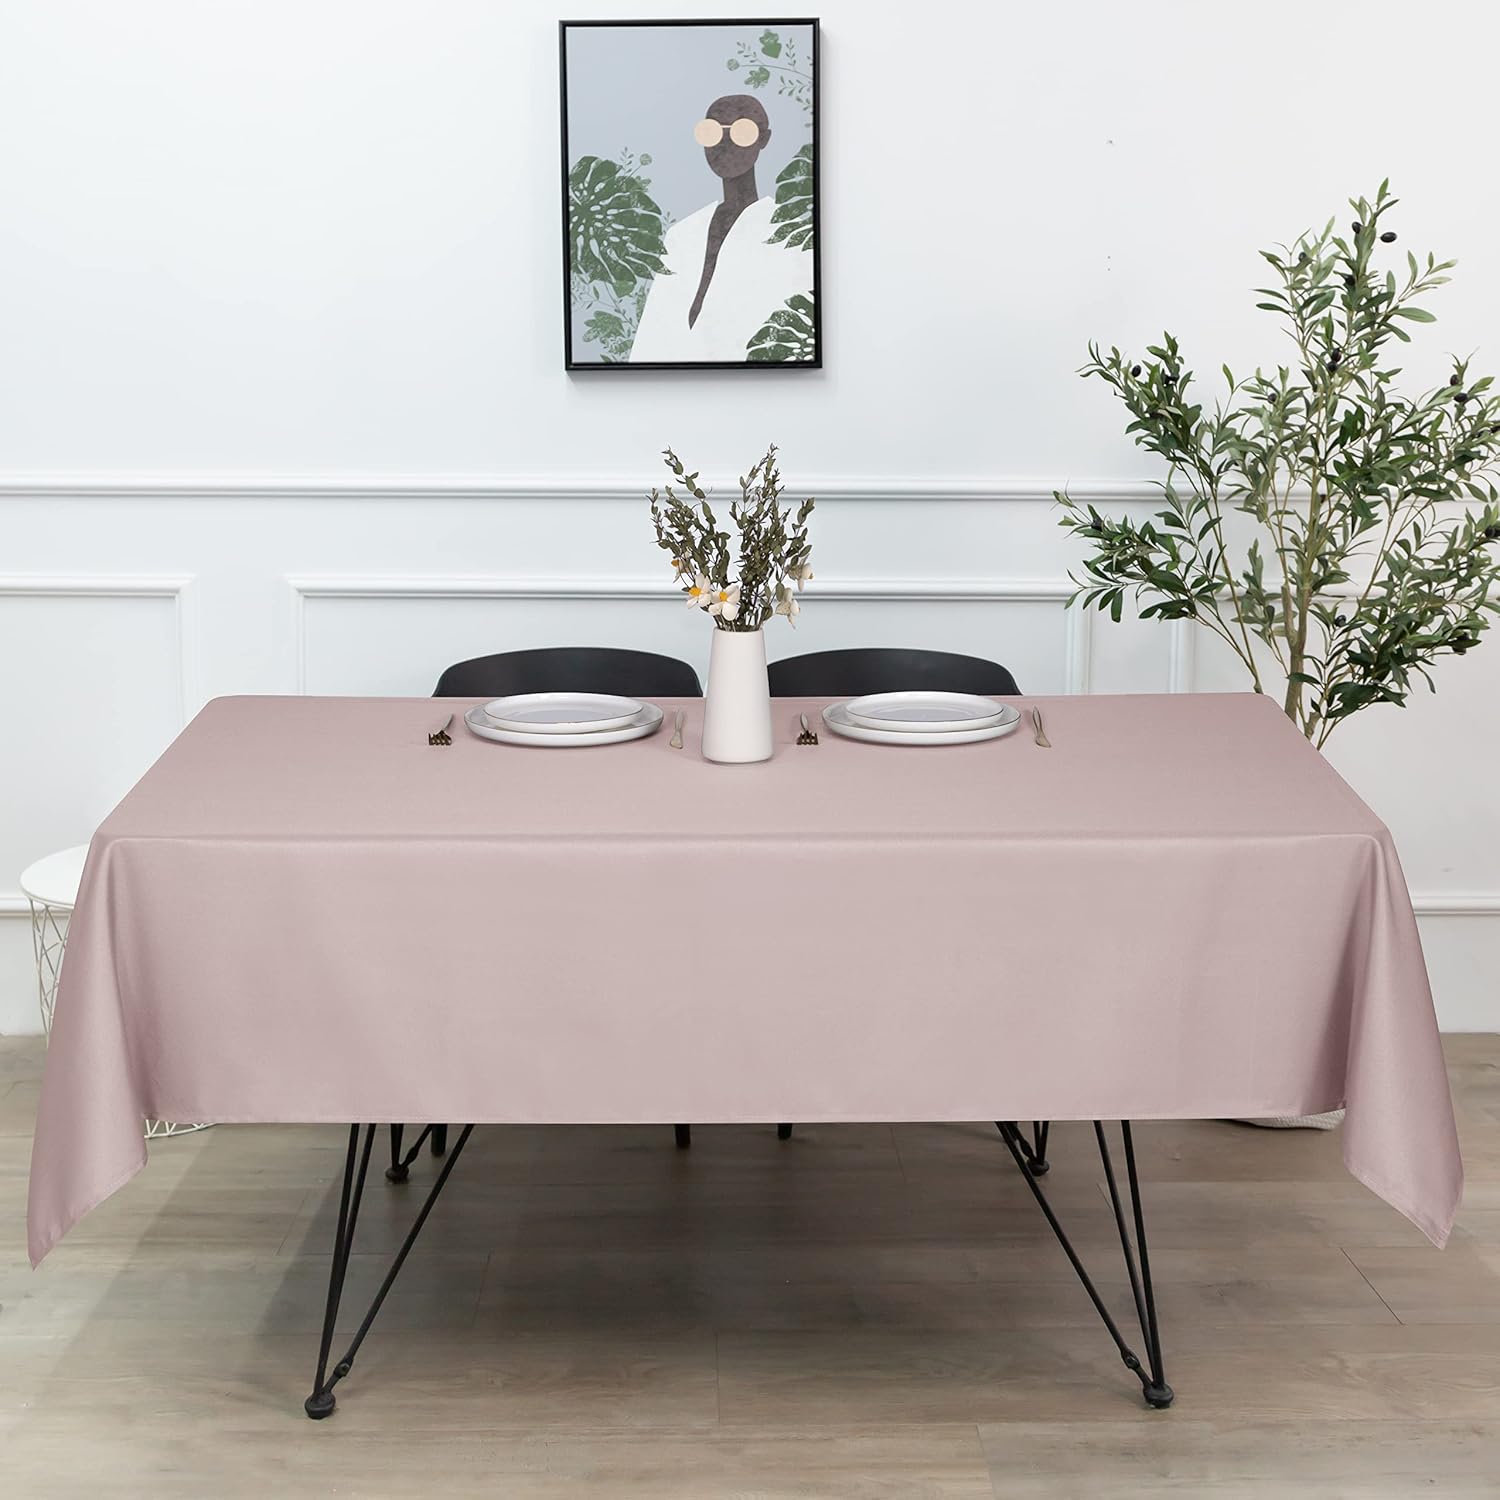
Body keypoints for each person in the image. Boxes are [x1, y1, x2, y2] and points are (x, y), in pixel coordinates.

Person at [630, 94, 810, 363]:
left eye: (742, 132)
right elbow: (652, 335)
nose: (724, 143)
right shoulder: (682, 235)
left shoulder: (789, 235)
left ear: (763, 139)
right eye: (711, 131)